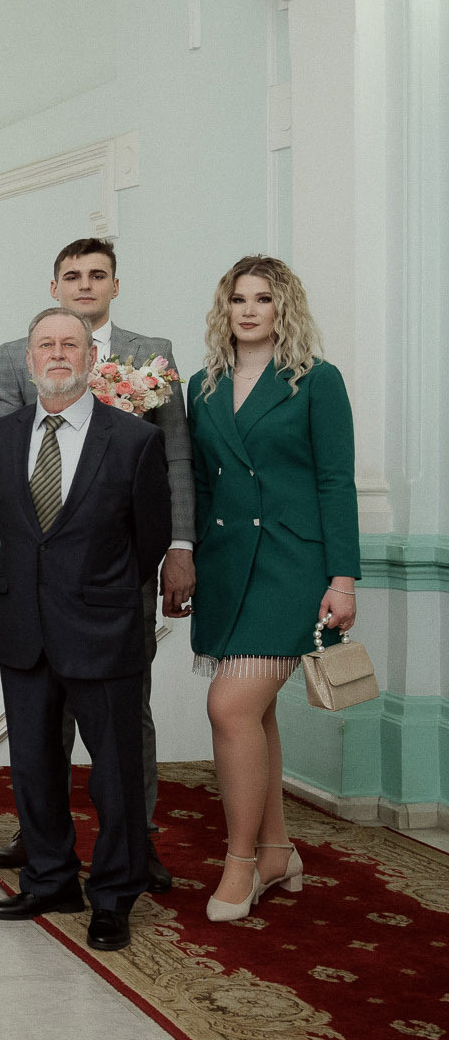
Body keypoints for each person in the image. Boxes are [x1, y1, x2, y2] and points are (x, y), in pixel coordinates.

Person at [0, 238, 191, 891]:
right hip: (41, 578)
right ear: (54, 285)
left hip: (110, 577)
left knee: (125, 726)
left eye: (97, 274)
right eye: (72, 275)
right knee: (41, 731)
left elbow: (175, 457)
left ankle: (136, 844)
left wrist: (174, 549)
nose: (85, 284)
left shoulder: (150, 353)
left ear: (114, 286)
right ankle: (44, 847)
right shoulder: (20, 354)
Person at [180, 256, 358, 922]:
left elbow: (335, 480)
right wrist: (187, 560)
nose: (249, 309)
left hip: (294, 568)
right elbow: (199, 485)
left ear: (284, 308)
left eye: (264, 298)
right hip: (229, 567)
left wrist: (342, 578)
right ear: (224, 309)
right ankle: (280, 848)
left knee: (229, 706)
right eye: (238, 298)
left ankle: (242, 861)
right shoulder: (202, 385)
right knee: (253, 713)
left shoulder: (317, 381)